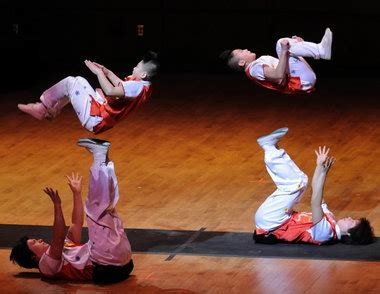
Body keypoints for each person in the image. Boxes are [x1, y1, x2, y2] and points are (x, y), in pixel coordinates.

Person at [10, 138, 134, 283]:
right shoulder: (46, 266)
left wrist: (76, 193)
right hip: (105, 263)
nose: (40, 240)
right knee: (96, 209)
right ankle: (99, 155)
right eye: (35, 243)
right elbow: (59, 235)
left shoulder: (65, 246)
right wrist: (57, 205)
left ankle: (103, 157)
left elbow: (76, 223)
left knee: (108, 209)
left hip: (118, 260)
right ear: (33, 257)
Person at [253, 127, 374, 245]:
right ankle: (274, 149)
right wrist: (320, 168)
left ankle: (269, 147)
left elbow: (315, 203)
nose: (349, 218)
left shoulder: (325, 234)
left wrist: (322, 172)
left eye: (352, 222)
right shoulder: (330, 219)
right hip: (277, 217)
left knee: (295, 184)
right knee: (302, 180)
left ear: (349, 234)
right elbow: (316, 193)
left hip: (272, 221)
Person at [18, 52, 159, 134]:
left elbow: (110, 91)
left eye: (137, 67)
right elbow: (122, 86)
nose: (134, 67)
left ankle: (42, 108)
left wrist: (98, 73)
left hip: (96, 119)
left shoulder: (136, 86)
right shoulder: (145, 86)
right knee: (78, 80)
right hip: (102, 115)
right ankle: (54, 110)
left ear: (143, 74)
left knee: (69, 82)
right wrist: (107, 72)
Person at [220, 28, 333, 94]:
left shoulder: (257, 64)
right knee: (281, 44)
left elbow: (284, 64)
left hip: (303, 79)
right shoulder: (254, 69)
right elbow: (279, 75)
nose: (245, 49)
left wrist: (297, 46)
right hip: (300, 81)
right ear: (241, 62)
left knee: (287, 45)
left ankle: (318, 50)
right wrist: (285, 51)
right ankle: (321, 50)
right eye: (241, 51)